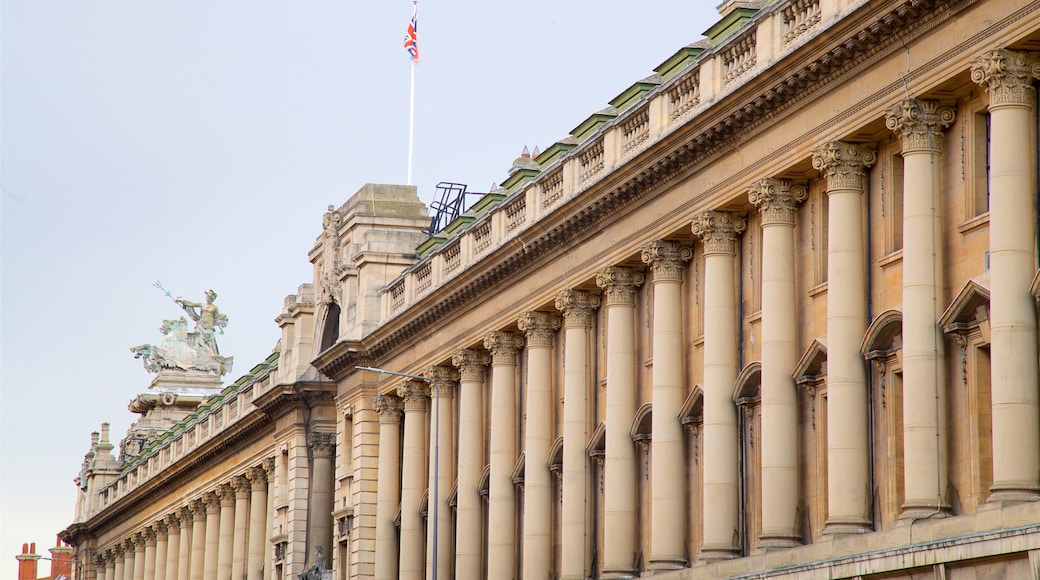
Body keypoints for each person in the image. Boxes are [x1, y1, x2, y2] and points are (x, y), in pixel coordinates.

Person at [175, 289, 227, 354]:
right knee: (198, 338)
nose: (206, 297)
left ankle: (209, 353)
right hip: (200, 324)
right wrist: (181, 300)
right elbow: (191, 304)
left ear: (211, 298)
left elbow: (216, 318)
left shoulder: (215, 307)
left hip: (209, 326)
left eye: (208, 296)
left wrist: (220, 328)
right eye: (206, 296)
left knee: (208, 342)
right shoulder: (202, 304)